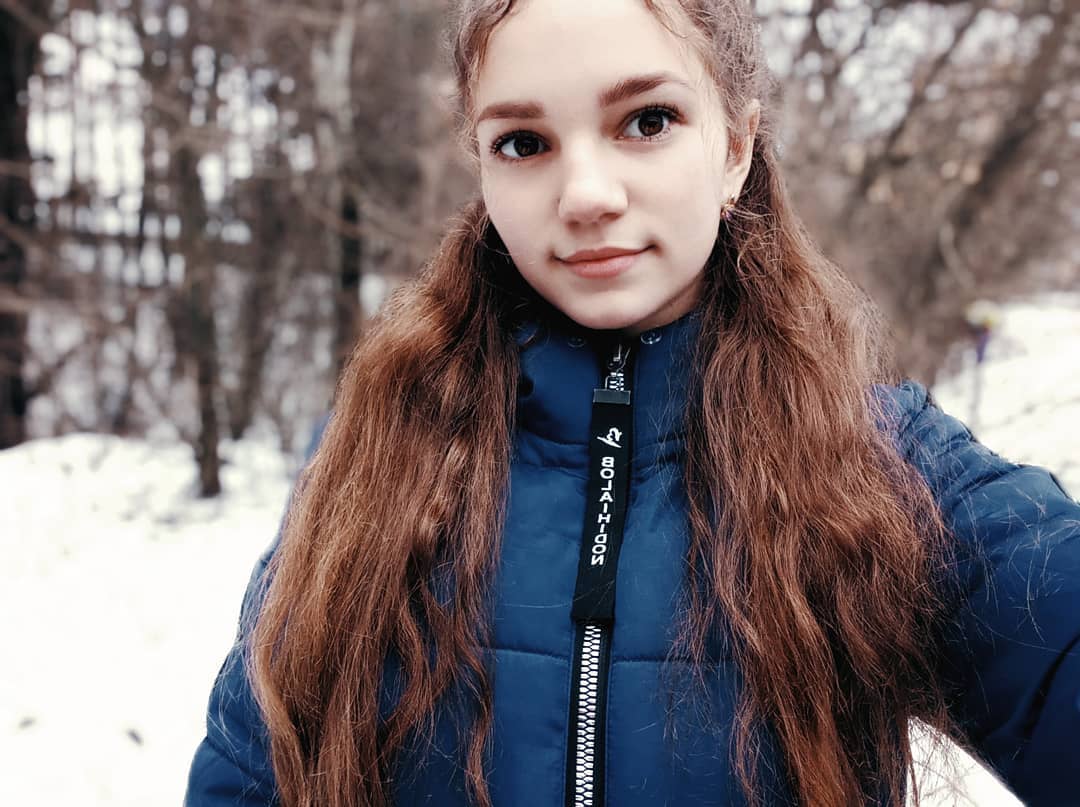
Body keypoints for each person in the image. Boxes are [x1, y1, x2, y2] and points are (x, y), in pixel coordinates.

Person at [184, 0, 1080, 805]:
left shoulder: (886, 463)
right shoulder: (374, 452)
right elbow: (251, 770)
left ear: (735, 148)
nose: (585, 195)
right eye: (523, 142)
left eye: (647, 121)